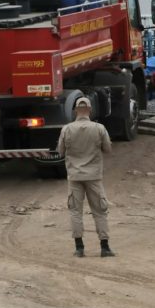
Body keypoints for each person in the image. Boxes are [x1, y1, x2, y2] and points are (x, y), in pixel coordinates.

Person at [57, 97, 115, 258]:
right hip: (94, 176)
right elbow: (108, 149)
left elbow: (60, 152)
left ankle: (79, 247)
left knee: (75, 212)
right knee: (100, 212)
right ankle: (105, 247)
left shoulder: (67, 129)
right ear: (90, 109)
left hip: (75, 176)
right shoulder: (99, 128)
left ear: (75, 110)